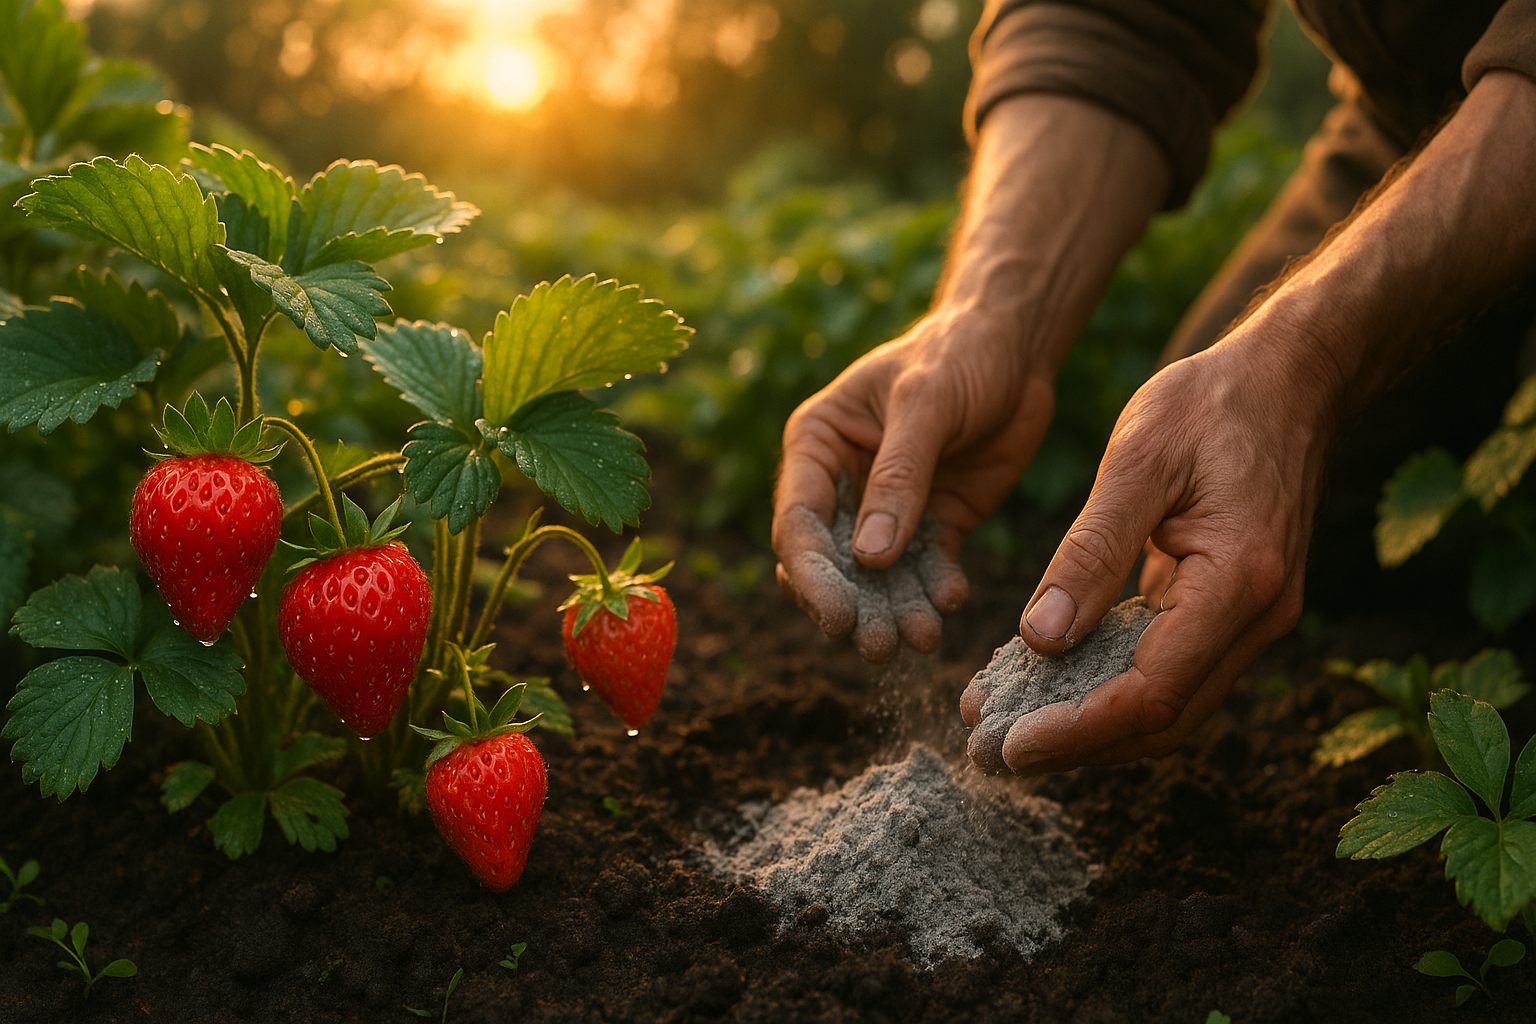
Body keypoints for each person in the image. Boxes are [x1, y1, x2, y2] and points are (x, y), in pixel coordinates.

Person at [771, 1, 1536, 776]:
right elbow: (1116, 17)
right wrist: (996, 315)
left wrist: (1308, 354)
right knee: (1223, 508)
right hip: (1420, 117)